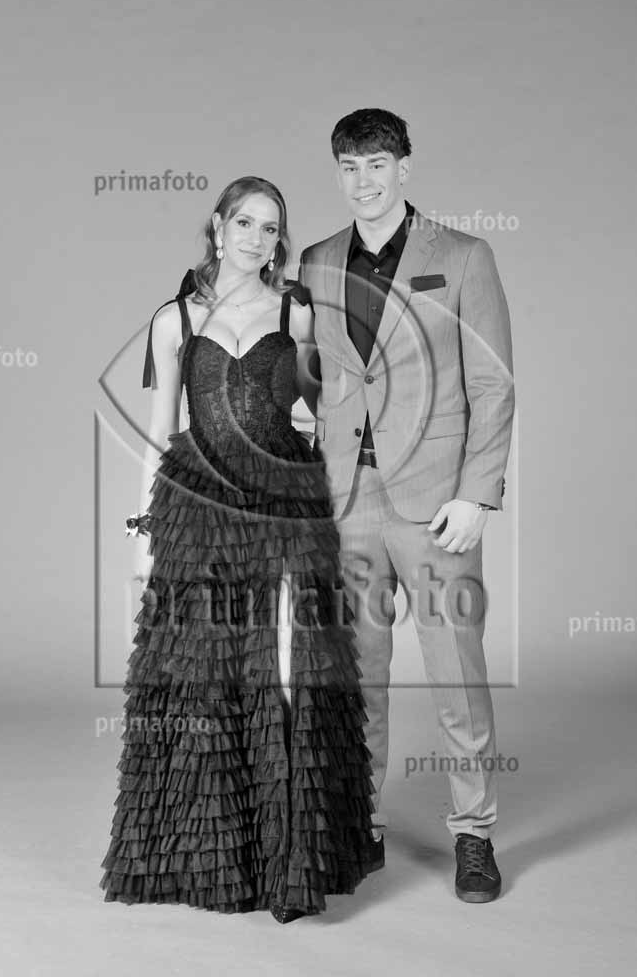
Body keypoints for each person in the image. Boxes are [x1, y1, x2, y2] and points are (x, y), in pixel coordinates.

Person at [99, 176, 378, 923]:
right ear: (218, 228)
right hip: (199, 504)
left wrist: (325, 440)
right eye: (245, 223)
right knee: (207, 669)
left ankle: (291, 862)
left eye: (270, 227)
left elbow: (319, 409)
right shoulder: (174, 318)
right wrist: (145, 526)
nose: (257, 238)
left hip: (286, 499)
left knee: (288, 663)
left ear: (279, 241)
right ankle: (220, 859)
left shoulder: (296, 311)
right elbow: (160, 427)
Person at [297, 109, 515, 902]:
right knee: (359, 676)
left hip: (435, 504)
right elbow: (314, 372)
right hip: (346, 501)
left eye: (378, 164)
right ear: (339, 173)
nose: (365, 180)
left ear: (405, 169)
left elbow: (492, 383)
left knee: (456, 671)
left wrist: (477, 495)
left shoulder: (461, 256)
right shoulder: (317, 260)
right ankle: (363, 823)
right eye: (350, 166)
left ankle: (474, 833)